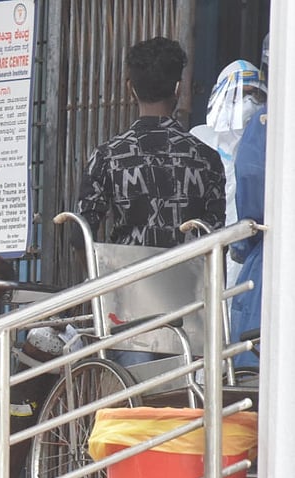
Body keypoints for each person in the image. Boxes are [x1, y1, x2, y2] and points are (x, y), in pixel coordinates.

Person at [75, 37, 225, 367]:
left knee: (134, 405)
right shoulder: (206, 159)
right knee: (189, 405)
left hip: (126, 308)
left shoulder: (108, 156)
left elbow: (81, 236)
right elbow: (218, 241)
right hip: (191, 310)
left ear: (130, 88)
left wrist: (105, 293)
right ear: (178, 88)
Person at [190, 60, 267, 286]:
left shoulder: (267, 147)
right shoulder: (201, 139)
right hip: (208, 243)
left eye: (256, 95)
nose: (249, 102)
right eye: (241, 94)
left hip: (251, 246)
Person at [229, 34, 270, 370]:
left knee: (253, 375)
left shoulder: (267, 122)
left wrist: (243, 246)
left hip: (271, 257)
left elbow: (252, 179)